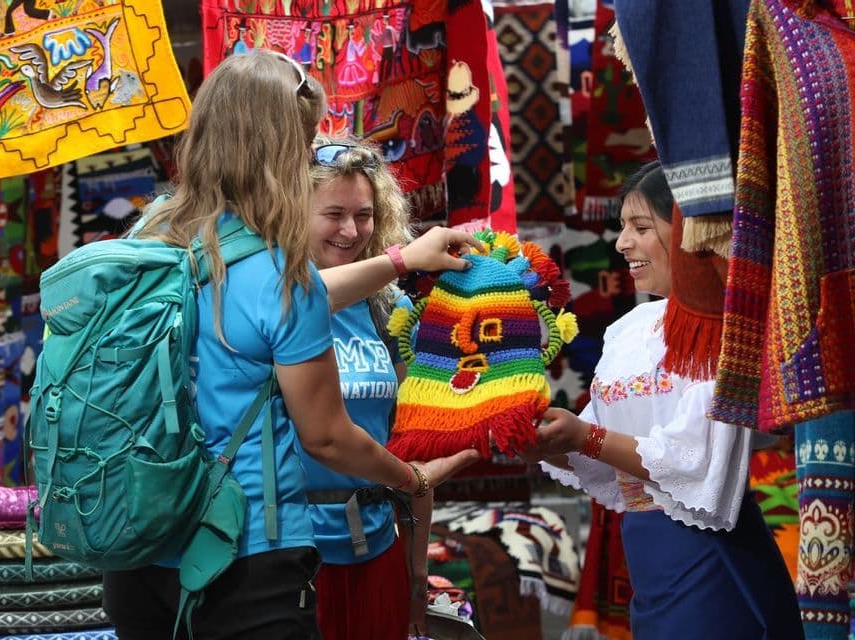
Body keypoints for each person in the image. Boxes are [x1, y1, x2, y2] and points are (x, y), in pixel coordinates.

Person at [100, 49, 480, 640]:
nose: (306, 157)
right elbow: (326, 436)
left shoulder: (149, 239)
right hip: (245, 553)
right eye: (302, 143)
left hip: (141, 543)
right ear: (277, 151)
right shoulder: (281, 278)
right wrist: (410, 479)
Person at [523, 161, 803, 639]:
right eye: (622, 228)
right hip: (649, 558)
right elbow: (598, 450)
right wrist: (541, 440)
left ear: (688, 234)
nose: (621, 242)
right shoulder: (628, 330)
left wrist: (583, 436)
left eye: (641, 226)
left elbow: (694, 457)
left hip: (713, 556)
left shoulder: (728, 331)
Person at [299, 135, 460, 640]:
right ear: (292, 211)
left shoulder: (386, 308)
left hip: (377, 546)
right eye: (333, 213)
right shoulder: (273, 296)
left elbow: (407, 448)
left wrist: (415, 567)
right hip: (294, 555)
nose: (351, 230)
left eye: (364, 215)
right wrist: (405, 259)